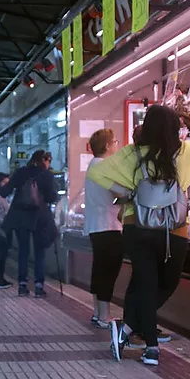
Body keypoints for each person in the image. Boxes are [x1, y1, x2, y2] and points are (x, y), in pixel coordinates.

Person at [87, 106, 190, 366]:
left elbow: (95, 172)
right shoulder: (188, 151)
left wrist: (128, 192)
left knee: (144, 283)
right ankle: (150, 346)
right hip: (174, 228)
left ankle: (127, 330)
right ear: (175, 128)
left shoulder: (131, 154)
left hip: (136, 225)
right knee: (166, 282)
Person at [0, 150, 58, 297]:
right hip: (40, 217)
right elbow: (51, 198)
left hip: (21, 217)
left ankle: (22, 285)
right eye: (48, 160)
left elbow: (5, 191)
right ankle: (38, 286)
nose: (49, 163)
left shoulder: (21, 172)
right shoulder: (47, 175)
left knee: (23, 251)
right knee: (40, 252)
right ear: (45, 160)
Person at [84, 129, 122, 329]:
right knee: (108, 271)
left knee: (99, 269)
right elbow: (120, 190)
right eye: (115, 141)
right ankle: (104, 315)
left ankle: (98, 312)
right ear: (107, 146)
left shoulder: (94, 164)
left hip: (96, 225)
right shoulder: (105, 166)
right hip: (108, 224)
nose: (117, 145)